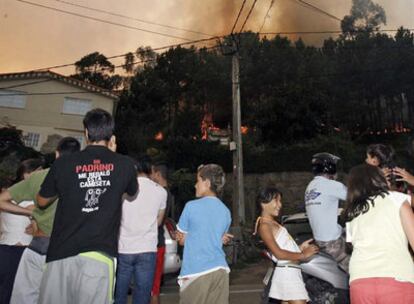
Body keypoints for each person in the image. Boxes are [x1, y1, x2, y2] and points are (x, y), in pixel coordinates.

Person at [36, 108, 138, 304]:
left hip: (60, 254)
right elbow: (131, 192)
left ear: (86, 133)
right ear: (111, 135)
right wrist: (111, 161)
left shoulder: (63, 163)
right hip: (99, 257)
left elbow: (41, 201)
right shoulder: (124, 164)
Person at [0, 137, 80, 304]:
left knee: (26, 296)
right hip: (67, 247)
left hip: (39, 243)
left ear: (57, 154)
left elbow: (2, 200)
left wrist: (31, 212)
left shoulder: (38, 178)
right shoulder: (83, 180)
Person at [344, 164, 414, 303]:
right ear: (378, 179)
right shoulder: (397, 199)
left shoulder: (351, 212)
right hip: (396, 277)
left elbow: (350, 246)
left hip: (360, 281)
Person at [176, 164, 231, 304]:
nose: (195, 185)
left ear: (206, 183)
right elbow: (219, 238)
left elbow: (181, 239)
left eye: (198, 181)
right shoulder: (226, 211)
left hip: (196, 271)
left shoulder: (191, 207)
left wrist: (187, 237)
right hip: (220, 271)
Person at [115, 156, 167, 304]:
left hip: (124, 248)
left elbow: (115, 217)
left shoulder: (122, 190)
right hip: (147, 248)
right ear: (151, 170)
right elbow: (158, 221)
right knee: (143, 295)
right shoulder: (160, 192)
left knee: (119, 294)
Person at [254, 187, 318, 304]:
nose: (280, 205)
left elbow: (284, 248)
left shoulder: (273, 223)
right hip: (287, 274)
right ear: (263, 203)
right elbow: (278, 254)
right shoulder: (264, 226)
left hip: (290, 271)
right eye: (276, 201)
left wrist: (299, 248)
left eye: (280, 201)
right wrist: (303, 255)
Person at [0, 158, 42, 304]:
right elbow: (39, 227)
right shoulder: (32, 199)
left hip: (5, 246)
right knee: (15, 293)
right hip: (21, 250)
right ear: (27, 175)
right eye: (39, 172)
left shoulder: (7, 193)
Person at [304, 152, 349, 272]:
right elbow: (356, 196)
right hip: (333, 241)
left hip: (320, 240)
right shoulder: (331, 185)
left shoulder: (311, 186)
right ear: (330, 167)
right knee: (358, 269)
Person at [150, 162, 173, 304]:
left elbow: (158, 220)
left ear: (158, 174)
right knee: (153, 287)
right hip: (157, 243)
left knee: (153, 288)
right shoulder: (165, 193)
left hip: (156, 244)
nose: (150, 176)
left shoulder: (162, 194)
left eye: (152, 173)